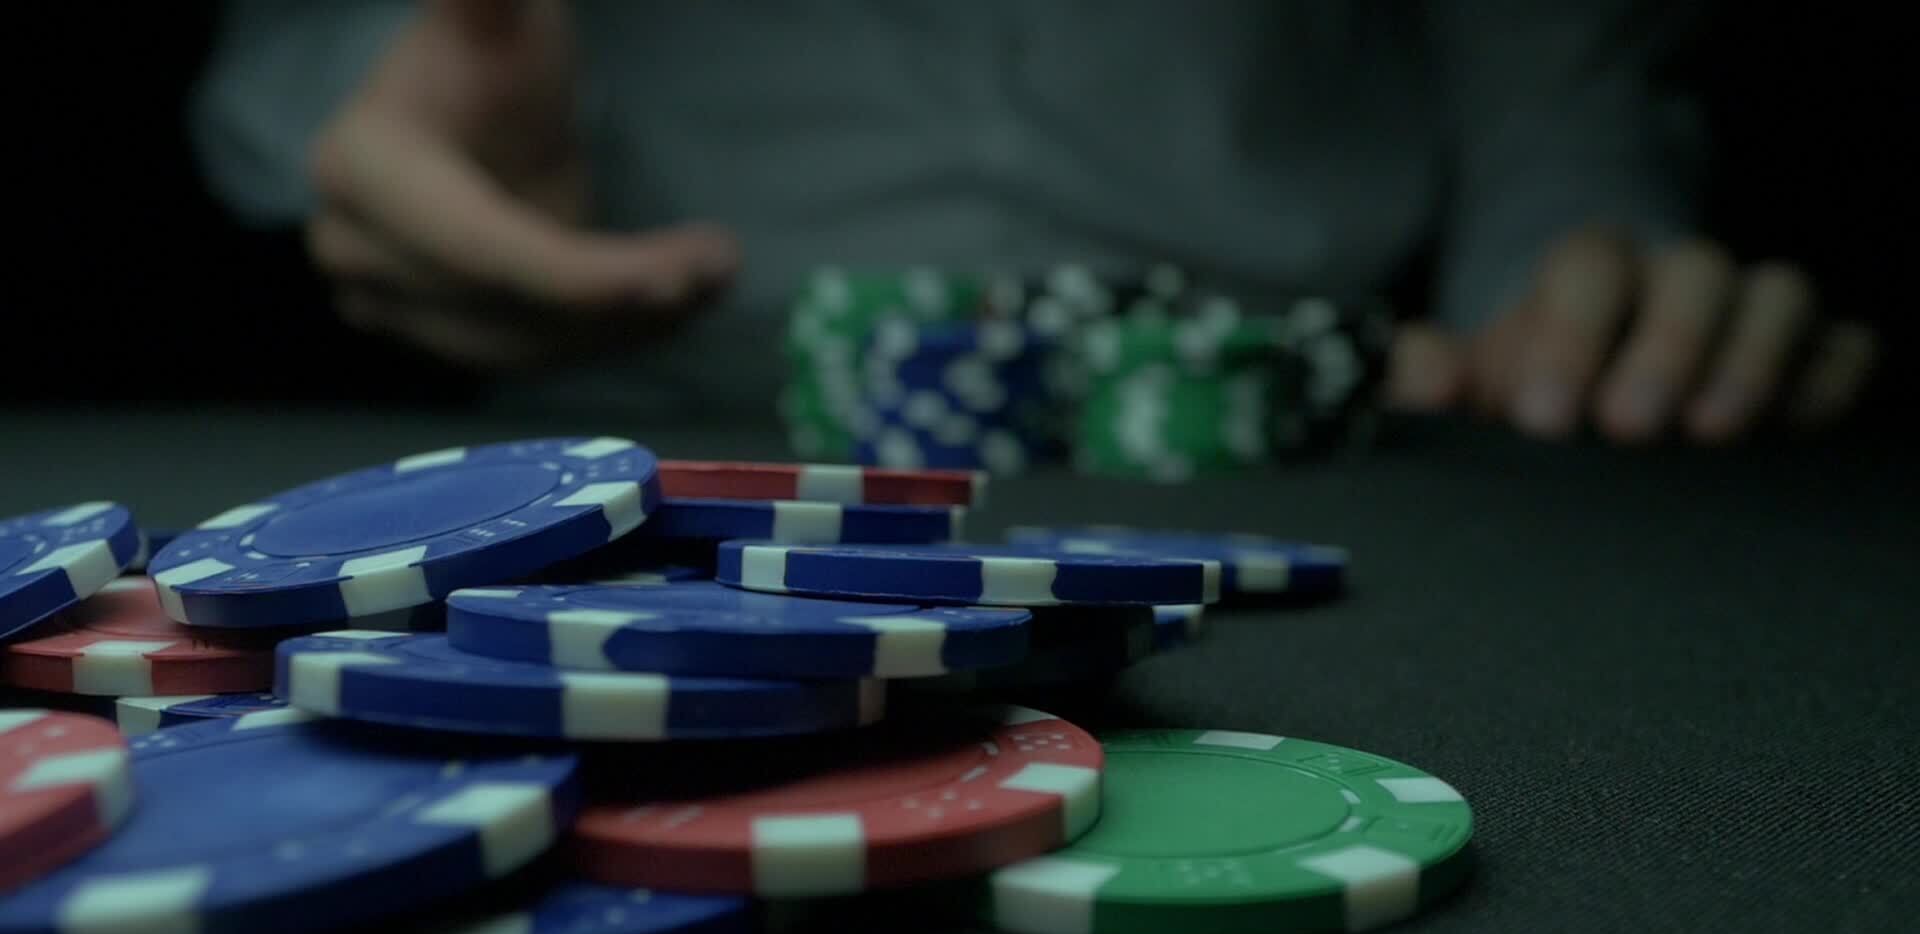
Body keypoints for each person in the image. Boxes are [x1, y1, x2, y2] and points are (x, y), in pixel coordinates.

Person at [189, 0, 1880, 444]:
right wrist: (390, 119)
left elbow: (1564, 88)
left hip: (1350, 456)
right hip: (631, 458)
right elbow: (293, 69)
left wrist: (1575, 302)